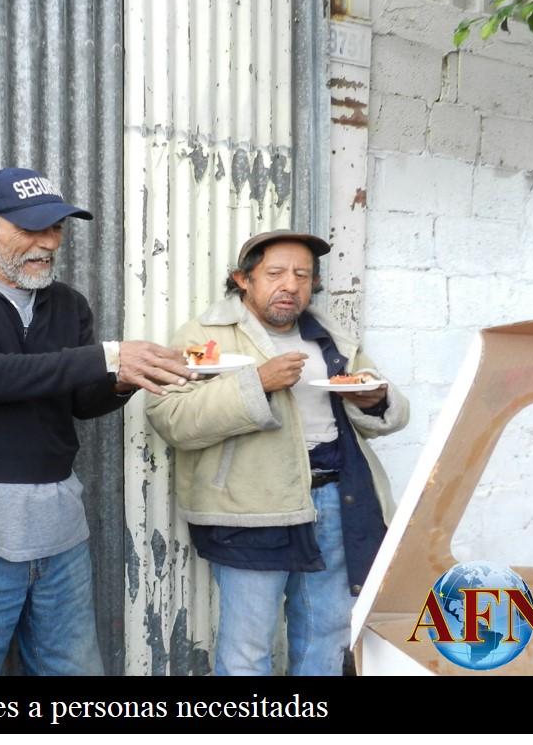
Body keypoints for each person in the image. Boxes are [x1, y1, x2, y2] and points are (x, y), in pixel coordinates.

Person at [0, 167, 197, 675]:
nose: (47, 244)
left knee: (74, 669)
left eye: (55, 229)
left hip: (58, 527)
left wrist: (127, 378)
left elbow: (81, 400)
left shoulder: (67, 303)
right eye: (30, 229)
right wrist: (108, 357)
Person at [145, 229, 409, 676]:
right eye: (276, 273)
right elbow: (172, 418)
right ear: (243, 279)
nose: (291, 285)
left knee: (326, 635)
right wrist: (257, 383)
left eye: (303, 275)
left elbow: (391, 409)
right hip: (252, 508)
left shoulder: (329, 335)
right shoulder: (205, 333)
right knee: (248, 648)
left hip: (335, 499)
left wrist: (374, 401)